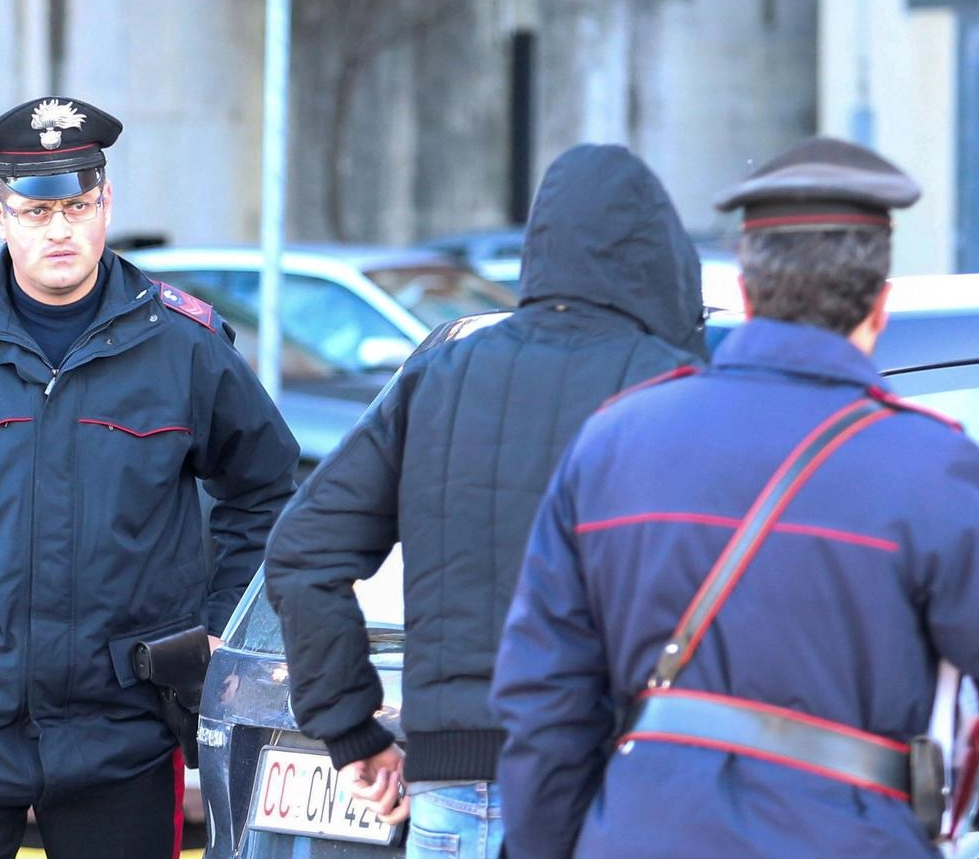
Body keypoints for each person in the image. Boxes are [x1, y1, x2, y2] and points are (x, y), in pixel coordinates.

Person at [489, 137, 979, 859]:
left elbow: (543, 699)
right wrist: (971, 804)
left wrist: (562, 842)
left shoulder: (612, 444)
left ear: (746, 295)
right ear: (880, 304)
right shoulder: (930, 466)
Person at [0, 96, 299, 859]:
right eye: (37, 213)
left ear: (107, 204)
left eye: (77, 206)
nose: (60, 230)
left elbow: (264, 484)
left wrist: (220, 623)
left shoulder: (183, 346)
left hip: (124, 723)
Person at [261, 144, 707, 858]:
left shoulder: (441, 374)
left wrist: (353, 730)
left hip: (451, 789)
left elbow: (301, 553)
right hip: (609, 784)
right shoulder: (673, 385)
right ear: (659, 257)